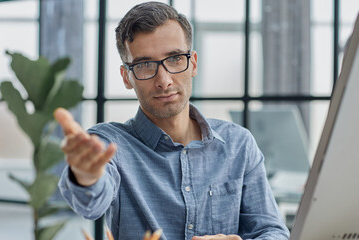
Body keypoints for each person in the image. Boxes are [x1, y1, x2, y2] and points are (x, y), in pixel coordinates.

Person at [55, 2, 290, 240]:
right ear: (127, 77)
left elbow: (273, 232)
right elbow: (90, 204)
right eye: (145, 65)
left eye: (175, 58)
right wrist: (86, 177)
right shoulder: (110, 144)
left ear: (193, 63)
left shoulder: (238, 144)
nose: (164, 80)